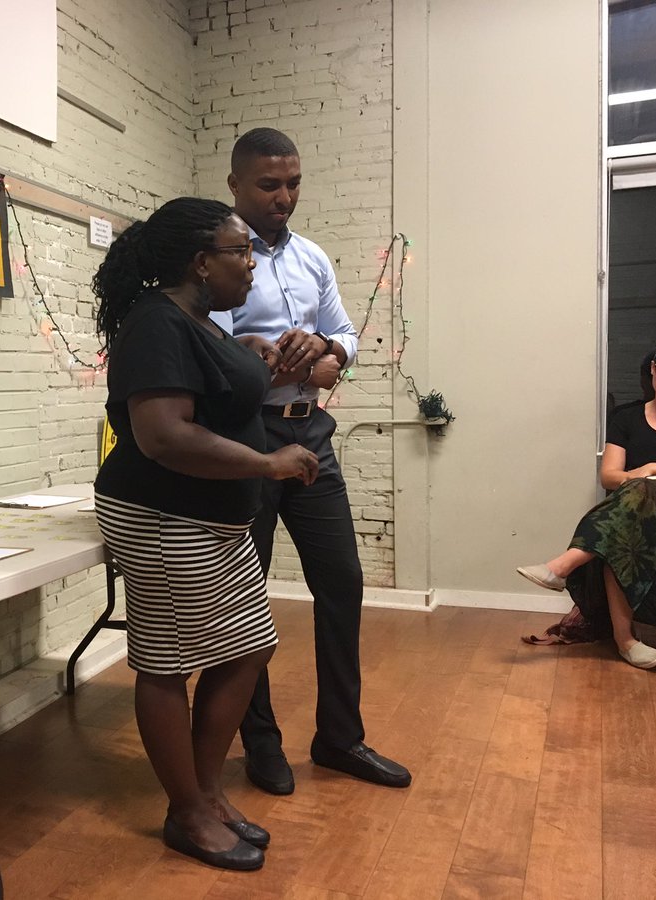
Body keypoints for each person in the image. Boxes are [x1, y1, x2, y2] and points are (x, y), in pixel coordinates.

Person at [92, 197, 320, 871]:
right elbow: (163, 435)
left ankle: (204, 791)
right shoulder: (155, 324)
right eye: (239, 251)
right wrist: (268, 464)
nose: (252, 265)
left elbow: (207, 384)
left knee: (249, 648)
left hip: (213, 519)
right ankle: (187, 812)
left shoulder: (199, 321)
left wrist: (244, 354)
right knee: (167, 663)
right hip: (163, 515)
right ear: (200, 262)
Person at [210, 127, 411, 794]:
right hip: (248, 439)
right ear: (236, 183)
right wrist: (281, 360)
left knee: (342, 581)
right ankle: (260, 742)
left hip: (312, 435)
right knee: (247, 594)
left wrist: (327, 349)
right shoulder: (218, 257)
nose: (285, 197)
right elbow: (209, 348)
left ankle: (339, 739)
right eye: (269, 185)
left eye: (293, 183)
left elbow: (346, 335)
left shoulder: (312, 257)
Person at [518, 339, 656, 666]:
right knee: (624, 525)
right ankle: (626, 642)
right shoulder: (626, 418)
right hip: (641, 510)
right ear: (652, 369)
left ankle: (562, 567)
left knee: (627, 510)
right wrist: (638, 474)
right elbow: (609, 476)